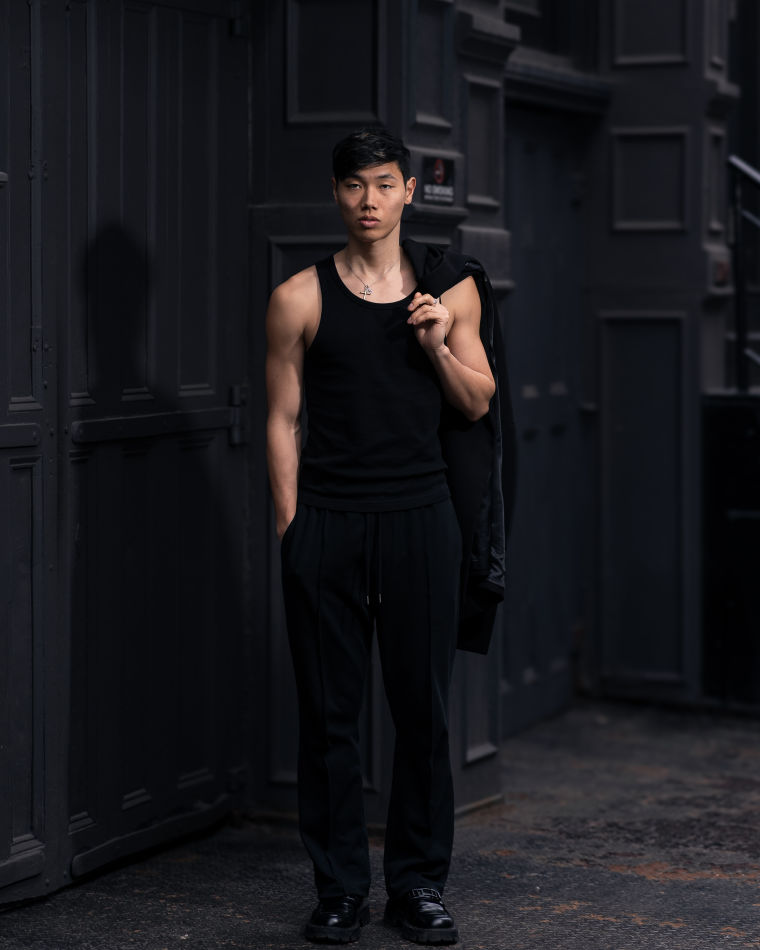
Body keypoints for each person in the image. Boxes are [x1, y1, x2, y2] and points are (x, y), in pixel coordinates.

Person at [265, 127, 502, 945]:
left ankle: (418, 886)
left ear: (408, 191)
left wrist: (435, 345)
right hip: (328, 522)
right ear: (337, 194)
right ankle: (339, 890)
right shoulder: (299, 296)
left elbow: (477, 401)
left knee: (421, 715)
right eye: (354, 185)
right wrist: (293, 529)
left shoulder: (449, 289)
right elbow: (282, 418)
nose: (369, 201)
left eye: (384, 184)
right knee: (328, 718)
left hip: (421, 521)